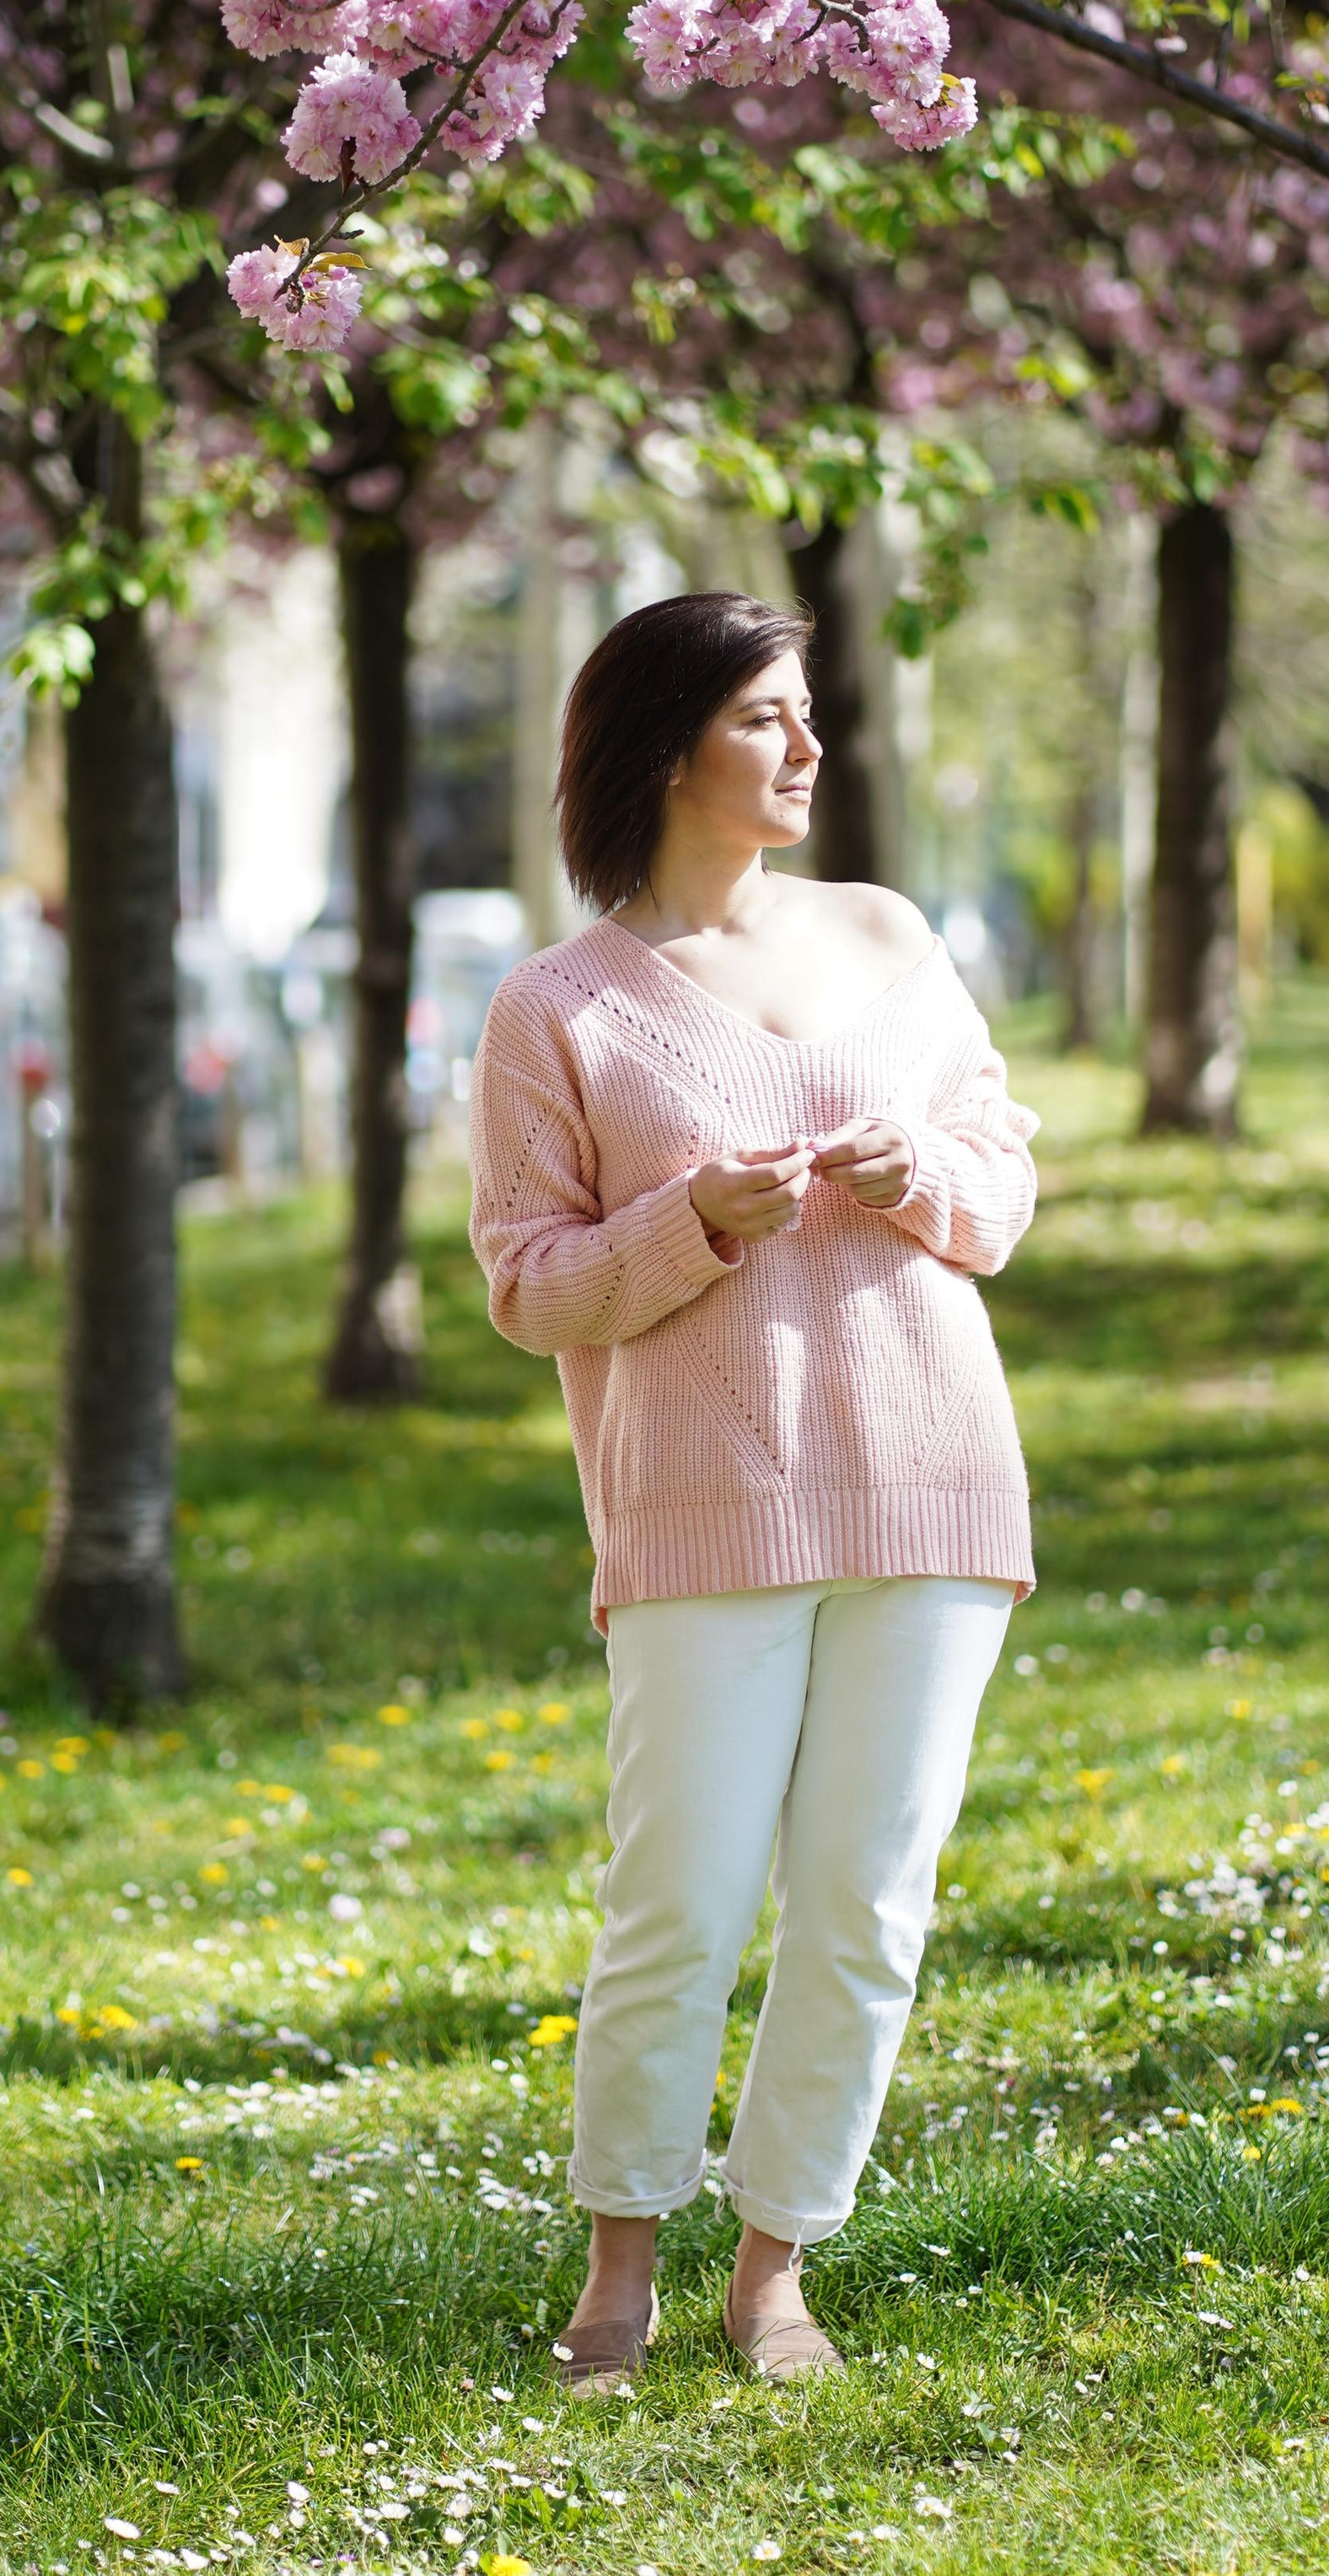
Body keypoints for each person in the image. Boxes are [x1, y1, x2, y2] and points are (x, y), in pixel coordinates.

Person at [466, 588, 1039, 2391]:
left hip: (931, 1486)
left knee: (867, 1897)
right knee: (682, 1899)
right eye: (762, 720)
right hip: (706, 1505)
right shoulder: (555, 1009)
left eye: (805, 716)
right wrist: (686, 1226)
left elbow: (1001, 1187)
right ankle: (617, 2261)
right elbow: (524, 1284)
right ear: (659, 746)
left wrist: (923, 1166)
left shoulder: (885, 935)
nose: (804, 749)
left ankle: (773, 2268)